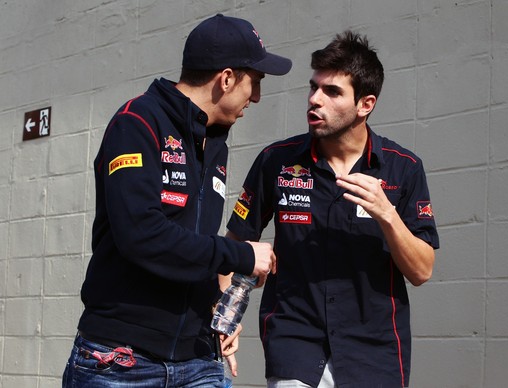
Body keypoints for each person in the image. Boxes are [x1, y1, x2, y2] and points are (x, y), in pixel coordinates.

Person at [62, 14, 291, 388]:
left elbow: (194, 243)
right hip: (121, 361)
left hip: (198, 357)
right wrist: (242, 254)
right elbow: (143, 234)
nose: (259, 97)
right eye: (256, 81)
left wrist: (218, 311)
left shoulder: (216, 142)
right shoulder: (137, 122)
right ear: (227, 78)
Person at [225, 31, 439, 387]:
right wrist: (224, 317)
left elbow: (422, 271)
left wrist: (387, 215)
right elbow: (234, 245)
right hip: (295, 345)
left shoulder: (404, 169)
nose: (314, 100)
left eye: (332, 91)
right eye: (313, 88)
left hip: (374, 353)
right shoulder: (276, 161)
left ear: (365, 104)